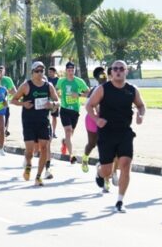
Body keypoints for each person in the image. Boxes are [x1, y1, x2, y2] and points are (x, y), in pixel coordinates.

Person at [87, 60, 145, 213]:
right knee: (107, 171)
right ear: (111, 72)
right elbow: (89, 105)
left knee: (125, 165)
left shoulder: (132, 90)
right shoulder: (102, 89)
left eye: (121, 69)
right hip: (106, 133)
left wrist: (140, 114)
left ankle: (120, 201)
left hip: (125, 132)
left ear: (126, 71)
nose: (118, 71)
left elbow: (141, 105)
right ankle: (100, 171)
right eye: (115, 69)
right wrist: (96, 119)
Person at [11, 61, 60, 186]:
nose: (39, 73)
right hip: (29, 122)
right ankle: (28, 165)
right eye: (37, 71)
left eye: (41, 71)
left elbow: (57, 101)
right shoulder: (26, 86)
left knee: (44, 148)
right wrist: (24, 104)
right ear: (32, 72)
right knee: (30, 151)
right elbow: (13, 100)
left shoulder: (48, 86)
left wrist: (53, 104)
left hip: (44, 121)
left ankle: (38, 176)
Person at [55, 61, 90, 164]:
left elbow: (89, 92)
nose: (71, 72)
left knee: (70, 133)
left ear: (74, 70)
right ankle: (71, 155)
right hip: (64, 109)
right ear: (66, 71)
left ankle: (65, 142)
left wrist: (78, 94)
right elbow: (54, 90)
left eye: (72, 70)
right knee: (68, 130)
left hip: (75, 110)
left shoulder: (79, 81)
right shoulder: (61, 81)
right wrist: (58, 96)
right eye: (69, 70)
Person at [0, 65, 17, 139]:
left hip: (5, 104)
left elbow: (14, 91)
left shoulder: (8, 79)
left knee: (5, 121)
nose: (1, 73)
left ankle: (0, 135)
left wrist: (7, 92)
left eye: (2, 71)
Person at [47, 66, 60, 139]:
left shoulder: (58, 80)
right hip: (47, 100)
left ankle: (54, 132)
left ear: (54, 72)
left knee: (54, 117)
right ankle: (49, 131)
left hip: (55, 101)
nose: (49, 73)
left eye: (51, 72)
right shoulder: (46, 79)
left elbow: (59, 90)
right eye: (48, 72)